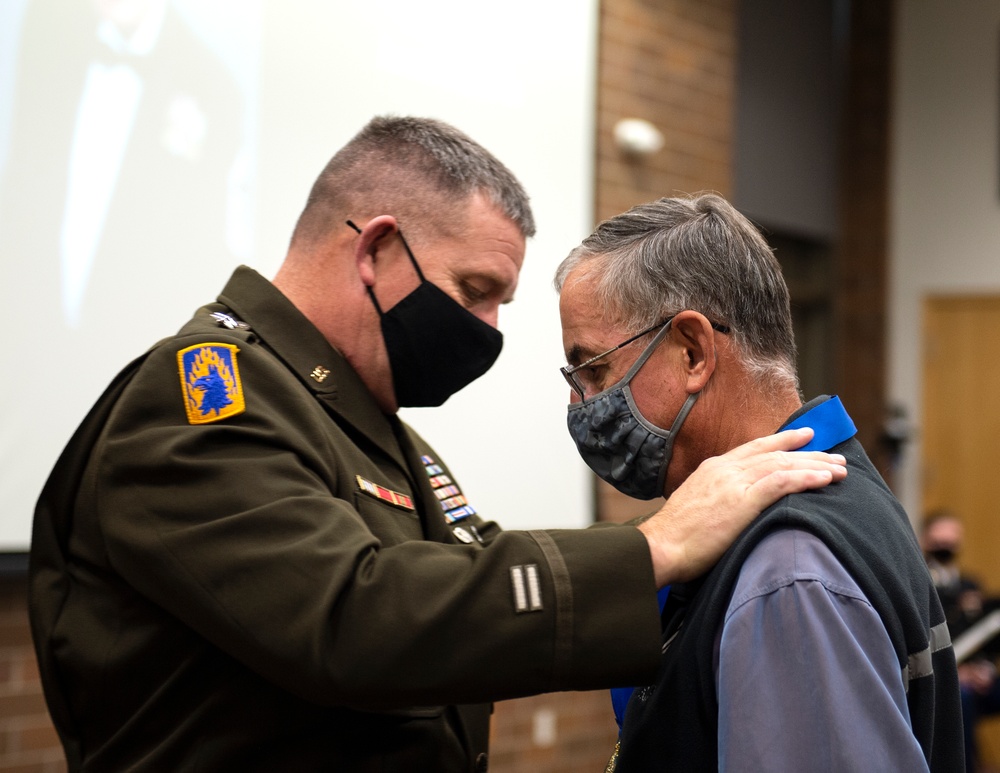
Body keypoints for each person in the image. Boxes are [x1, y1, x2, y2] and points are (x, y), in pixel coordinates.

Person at [28, 117, 847, 772]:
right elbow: (354, 617)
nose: (489, 332)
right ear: (377, 250)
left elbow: (472, 567)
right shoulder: (206, 398)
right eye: (475, 291)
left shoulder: (367, 424)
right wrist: (651, 550)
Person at [554, 193, 964, 771]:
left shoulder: (788, 567)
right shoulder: (842, 487)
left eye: (594, 370)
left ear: (693, 351)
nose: (580, 404)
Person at [921, 510, 1000, 773]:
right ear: (925, 540)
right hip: (943, 676)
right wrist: (957, 672)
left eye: (951, 541)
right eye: (939, 541)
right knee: (961, 697)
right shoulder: (920, 584)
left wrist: (984, 669)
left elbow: (986, 637)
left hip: (976, 675)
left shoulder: (970, 584)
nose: (945, 547)